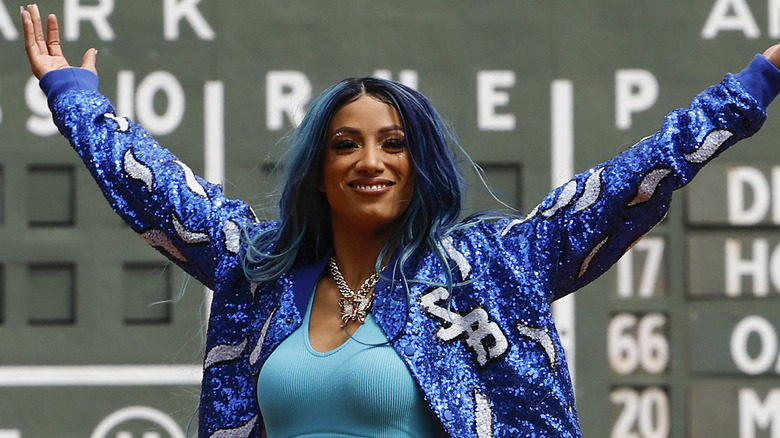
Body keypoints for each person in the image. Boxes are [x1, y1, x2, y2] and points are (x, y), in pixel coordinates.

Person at [20, 4, 780, 437]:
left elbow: (623, 186)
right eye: (345, 144)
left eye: (394, 143)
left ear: (421, 167)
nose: (370, 161)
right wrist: (74, 99)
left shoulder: (490, 269)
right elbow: (159, 191)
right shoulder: (260, 274)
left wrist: (758, 80)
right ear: (318, 169)